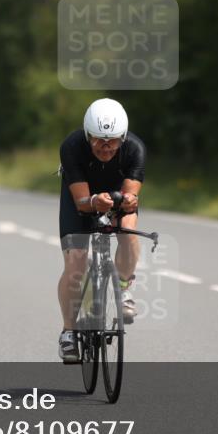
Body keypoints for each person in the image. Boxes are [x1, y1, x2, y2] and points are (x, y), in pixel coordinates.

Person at [56, 98, 145, 363]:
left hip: (116, 195)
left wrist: (127, 201)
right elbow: (82, 201)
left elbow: (131, 196)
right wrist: (94, 202)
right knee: (76, 263)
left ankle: (122, 286)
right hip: (81, 199)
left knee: (128, 232)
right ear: (87, 135)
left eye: (113, 140)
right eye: (98, 140)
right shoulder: (72, 147)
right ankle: (69, 332)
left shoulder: (135, 148)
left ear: (123, 137)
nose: (106, 147)